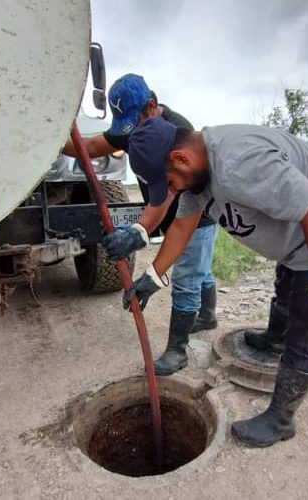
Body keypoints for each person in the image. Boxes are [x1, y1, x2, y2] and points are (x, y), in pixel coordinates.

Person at [119, 117, 308, 448]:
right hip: (296, 242)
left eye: (169, 182)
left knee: (306, 324)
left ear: (180, 158)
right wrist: (151, 279)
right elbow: (181, 228)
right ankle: (273, 339)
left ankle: (280, 420)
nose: (172, 190)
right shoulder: (199, 176)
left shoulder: (241, 164)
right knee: (286, 285)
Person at [63, 74, 219, 375]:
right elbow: (92, 146)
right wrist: (55, 143)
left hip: (197, 215)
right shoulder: (130, 125)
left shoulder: (178, 130)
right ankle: (208, 316)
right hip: (165, 205)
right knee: (200, 268)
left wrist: (140, 232)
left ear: (151, 104)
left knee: (188, 275)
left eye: (135, 123)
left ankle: (177, 351)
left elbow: (171, 193)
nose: (130, 134)